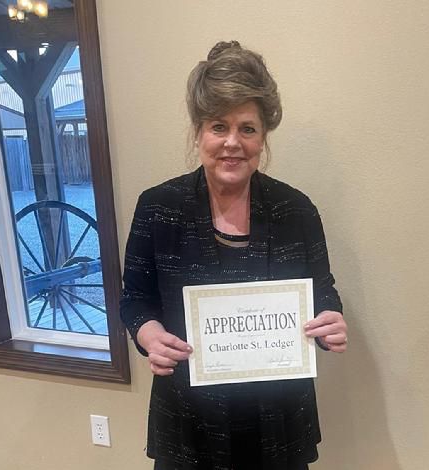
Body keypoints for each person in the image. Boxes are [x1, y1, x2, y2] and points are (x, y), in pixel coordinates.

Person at [120, 40, 348, 470]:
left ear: (263, 136)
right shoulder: (158, 208)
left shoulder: (295, 210)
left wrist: (330, 321)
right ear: (198, 132)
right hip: (188, 420)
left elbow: (323, 292)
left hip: (279, 421)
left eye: (247, 128)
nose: (232, 143)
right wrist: (148, 335)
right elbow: (135, 300)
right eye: (218, 126)